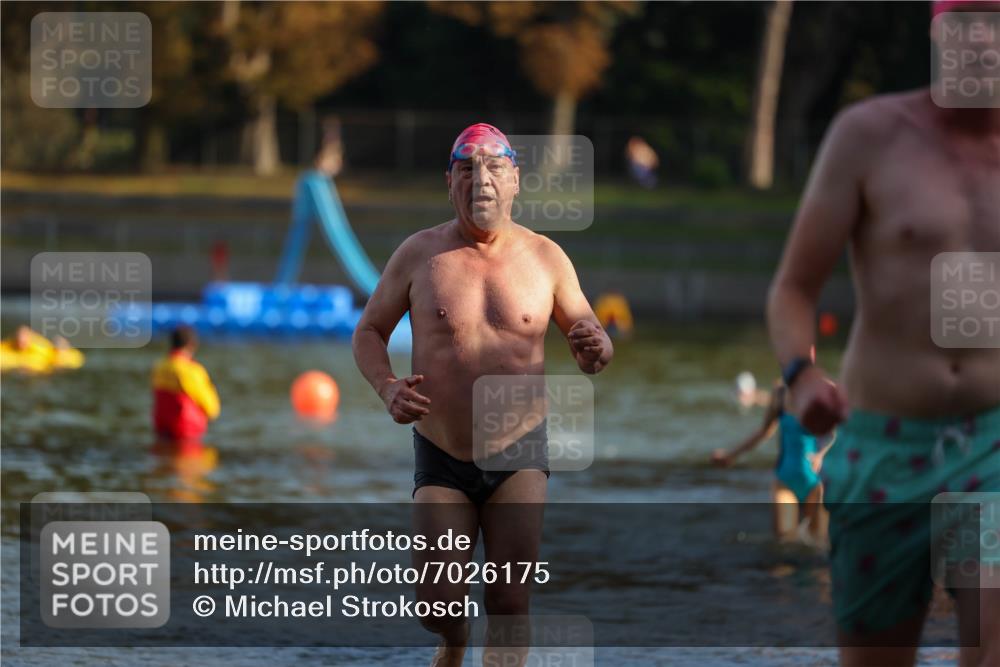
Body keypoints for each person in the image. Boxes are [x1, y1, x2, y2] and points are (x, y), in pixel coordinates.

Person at [767, 2, 999, 664]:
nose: (982, 35)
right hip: (882, 446)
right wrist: (801, 375)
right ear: (936, 31)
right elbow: (793, 288)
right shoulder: (869, 134)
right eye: (966, 18)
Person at [352, 122, 613, 667]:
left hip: (518, 451)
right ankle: (454, 642)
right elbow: (369, 331)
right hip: (442, 450)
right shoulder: (419, 254)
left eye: (495, 167)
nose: (482, 179)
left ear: (516, 180)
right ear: (449, 182)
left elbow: (590, 341)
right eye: (468, 168)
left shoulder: (547, 259)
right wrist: (386, 387)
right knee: (437, 606)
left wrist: (595, 349)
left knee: (509, 600)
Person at [712, 378, 831, 545]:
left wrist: (822, 454)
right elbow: (764, 432)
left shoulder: (822, 390)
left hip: (817, 483)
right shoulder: (780, 393)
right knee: (784, 543)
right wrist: (731, 455)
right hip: (785, 480)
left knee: (820, 545)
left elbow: (840, 433)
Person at [151, 326, 220, 447]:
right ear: (192, 344)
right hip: (186, 432)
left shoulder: (160, 366)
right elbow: (212, 408)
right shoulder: (192, 370)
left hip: (162, 429)